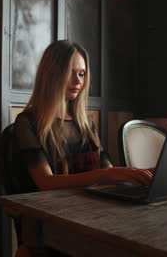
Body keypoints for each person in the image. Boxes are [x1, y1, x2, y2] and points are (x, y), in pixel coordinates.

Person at [12, 40, 154, 256]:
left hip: (89, 212)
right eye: (70, 72)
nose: (77, 81)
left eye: (82, 73)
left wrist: (141, 175)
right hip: (52, 219)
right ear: (51, 75)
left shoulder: (85, 123)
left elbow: (109, 172)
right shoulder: (28, 121)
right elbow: (45, 183)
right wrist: (108, 174)